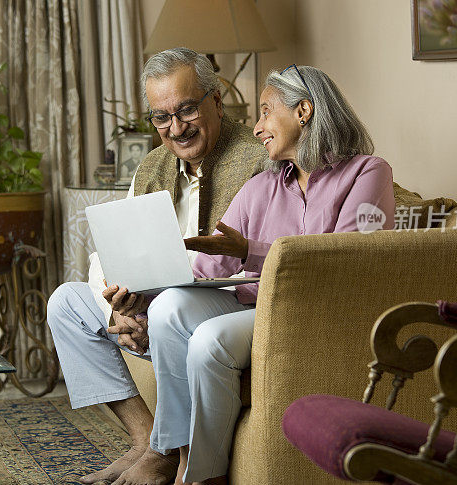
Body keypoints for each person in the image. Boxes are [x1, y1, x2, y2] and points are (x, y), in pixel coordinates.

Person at [115, 65, 396, 485]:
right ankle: (174, 451)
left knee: (209, 342)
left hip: (314, 308)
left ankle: (202, 477)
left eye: (266, 112)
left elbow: (348, 263)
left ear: (304, 111)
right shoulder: (260, 188)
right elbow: (206, 270)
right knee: (171, 306)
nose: (258, 127)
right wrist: (142, 304)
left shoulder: (367, 173)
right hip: (251, 303)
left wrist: (251, 251)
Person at [47, 47, 264, 485]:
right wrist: (117, 309)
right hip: (149, 307)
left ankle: (168, 451)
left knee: (173, 309)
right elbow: (109, 254)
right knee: (65, 304)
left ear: (216, 101)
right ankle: (148, 442)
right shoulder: (151, 166)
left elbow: (250, 265)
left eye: (186, 110)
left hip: (213, 308)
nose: (176, 128)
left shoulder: (258, 160)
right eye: (161, 117)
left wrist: (155, 304)